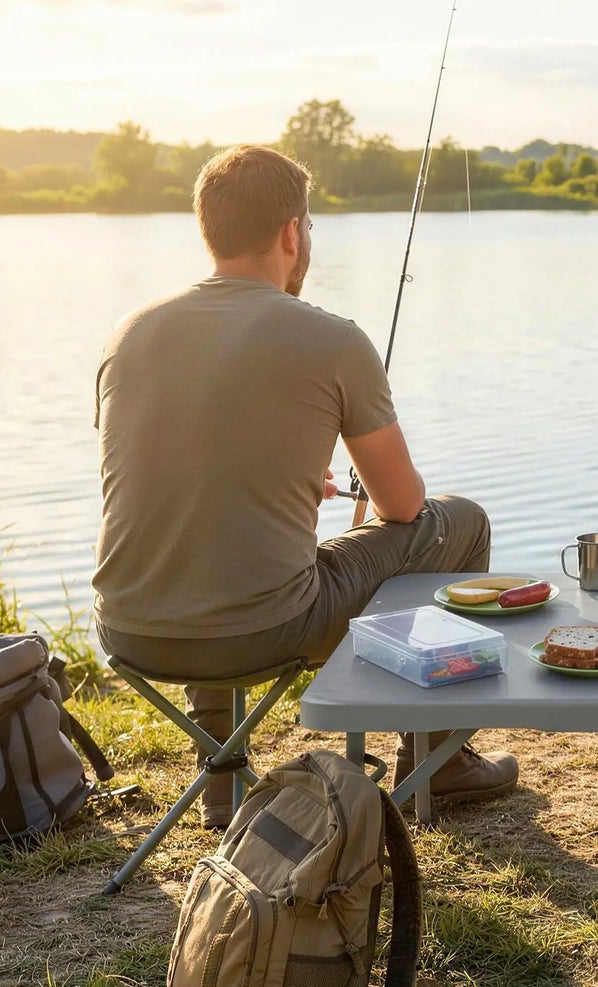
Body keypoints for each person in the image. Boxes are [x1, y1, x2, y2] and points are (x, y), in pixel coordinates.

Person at [93, 144, 518, 828]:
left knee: (212, 551)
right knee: (458, 521)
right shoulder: (333, 338)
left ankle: (222, 785)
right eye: (310, 226)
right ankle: (441, 758)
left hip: (129, 629)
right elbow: (402, 507)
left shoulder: (129, 331)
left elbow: (164, 473)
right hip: (263, 628)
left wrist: (275, 474)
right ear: (292, 233)